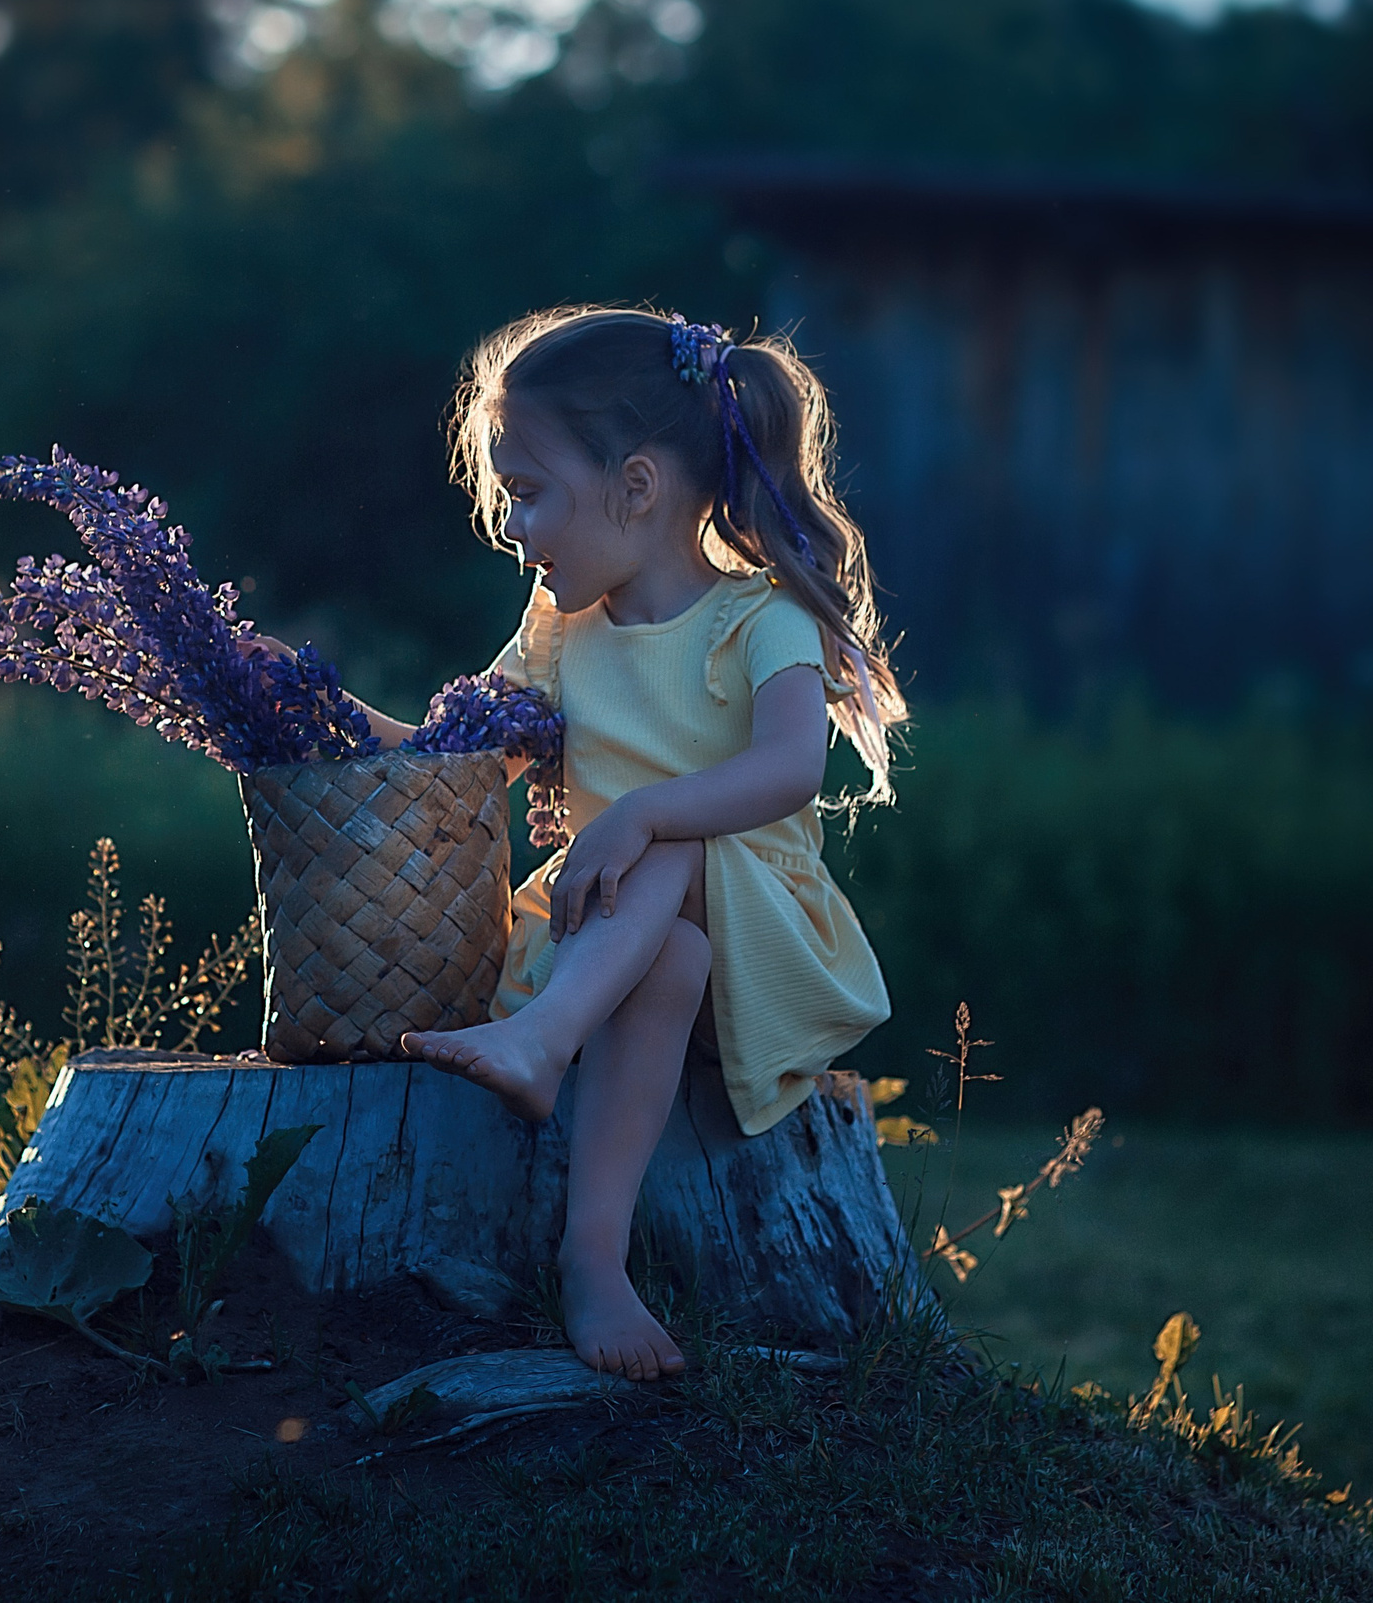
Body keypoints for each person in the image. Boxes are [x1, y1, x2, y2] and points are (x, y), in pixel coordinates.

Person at [266, 305, 907, 1381]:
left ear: (637, 485)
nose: (513, 528)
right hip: (623, 948)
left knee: (672, 846)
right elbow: (455, 764)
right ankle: (593, 1262)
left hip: (763, 942)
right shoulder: (557, 633)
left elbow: (793, 767)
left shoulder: (761, 619)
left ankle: (542, 1039)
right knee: (670, 952)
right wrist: (316, 706)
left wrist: (645, 811)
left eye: (528, 493)